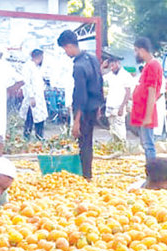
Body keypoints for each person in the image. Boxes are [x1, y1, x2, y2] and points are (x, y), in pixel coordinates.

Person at [59, 29, 102, 181]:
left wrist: (76, 121)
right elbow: (99, 83)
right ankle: (87, 174)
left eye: (65, 49)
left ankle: (86, 177)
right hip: (93, 107)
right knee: (88, 142)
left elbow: (80, 96)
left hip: (83, 110)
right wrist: (99, 107)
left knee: (83, 143)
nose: (66, 52)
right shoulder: (93, 58)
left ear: (69, 46)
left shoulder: (78, 67)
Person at [130, 37, 162, 160]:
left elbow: (152, 91)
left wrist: (148, 116)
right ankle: (151, 174)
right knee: (146, 144)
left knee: (148, 145)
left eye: (136, 50)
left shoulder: (153, 65)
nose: (135, 54)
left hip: (146, 113)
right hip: (142, 111)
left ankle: (152, 175)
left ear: (142, 50)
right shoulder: (149, 65)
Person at [103, 54, 134, 144]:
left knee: (120, 128)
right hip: (110, 106)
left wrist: (122, 107)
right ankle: (115, 147)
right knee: (112, 129)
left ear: (118, 63)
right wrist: (102, 67)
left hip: (119, 106)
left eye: (113, 65)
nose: (112, 68)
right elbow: (99, 78)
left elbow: (128, 93)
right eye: (110, 66)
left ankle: (122, 147)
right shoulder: (110, 75)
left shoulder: (125, 75)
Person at [20, 49, 48, 140]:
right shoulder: (28, 66)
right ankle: (26, 138)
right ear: (39, 57)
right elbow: (27, 83)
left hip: (39, 97)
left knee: (40, 119)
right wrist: (31, 97)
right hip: (32, 97)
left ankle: (39, 137)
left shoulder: (37, 67)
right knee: (30, 119)